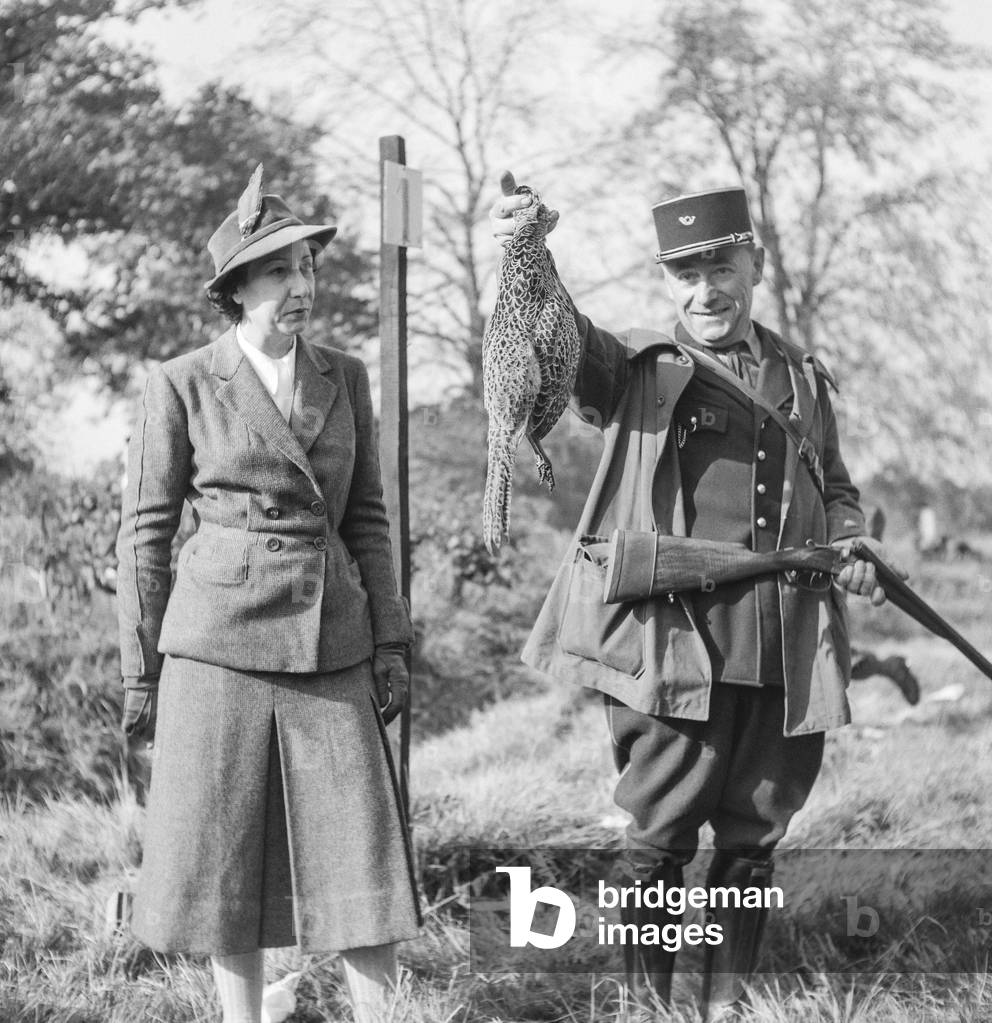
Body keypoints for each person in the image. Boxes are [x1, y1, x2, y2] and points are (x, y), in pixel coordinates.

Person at [490, 180, 901, 1021]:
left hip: (782, 646)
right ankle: (652, 1012)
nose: (705, 289)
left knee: (753, 846)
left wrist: (854, 538)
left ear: (754, 261)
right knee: (659, 840)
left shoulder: (803, 377)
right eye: (685, 273)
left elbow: (837, 483)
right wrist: (528, 251)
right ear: (665, 279)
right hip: (673, 648)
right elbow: (559, 339)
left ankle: (724, 1010)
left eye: (720, 265)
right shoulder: (632, 369)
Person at [116, 166, 420, 1023]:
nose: (302, 286)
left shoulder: (345, 376)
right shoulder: (178, 383)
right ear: (237, 289)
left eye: (308, 269)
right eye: (280, 271)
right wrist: (142, 673)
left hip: (334, 646)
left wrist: (391, 640)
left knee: (363, 862)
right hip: (217, 651)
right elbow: (144, 536)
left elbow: (367, 521)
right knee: (225, 863)